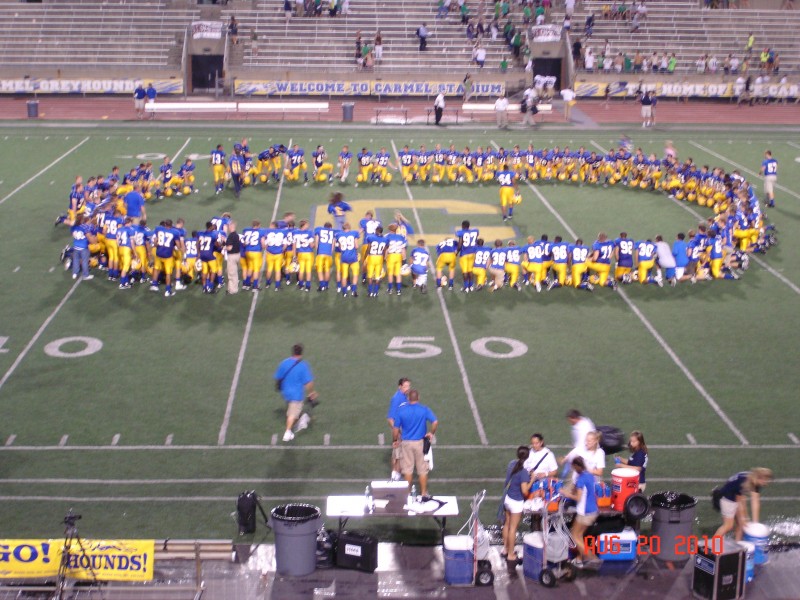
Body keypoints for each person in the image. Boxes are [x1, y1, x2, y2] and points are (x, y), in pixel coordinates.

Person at [392, 389, 438, 500]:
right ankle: (423, 493)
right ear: (418, 397)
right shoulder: (424, 410)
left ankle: (407, 494)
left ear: (408, 398)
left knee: (407, 470)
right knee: (422, 470)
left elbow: (395, 429)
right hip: (421, 443)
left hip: (406, 443)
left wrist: (395, 440)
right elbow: (435, 422)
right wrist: (431, 433)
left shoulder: (401, 411)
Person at [502, 446, 537, 574]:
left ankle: (505, 549)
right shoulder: (523, 472)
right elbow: (524, 490)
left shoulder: (512, 464)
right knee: (513, 528)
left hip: (507, 498)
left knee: (506, 524)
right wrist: (532, 479)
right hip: (516, 502)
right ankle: (511, 554)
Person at [274, 344, 318, 442]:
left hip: (286, 393)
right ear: (301, 353)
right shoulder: (303, 365)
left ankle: (300, 418)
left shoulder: (284, 363)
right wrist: (311, 393)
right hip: (296, 395)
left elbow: (278, 377)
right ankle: (287, 432)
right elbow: (309, 383)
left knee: (293, 410)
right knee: (292, 415)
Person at [714, 468, 773, 541]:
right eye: (765, 480)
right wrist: (743, 517)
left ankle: (737, 545)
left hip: (733, 496)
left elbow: (755, 502)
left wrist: (755, 523)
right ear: (760, 478)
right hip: (727, 498)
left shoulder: (753, 479)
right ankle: (712, 545)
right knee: (728, 525)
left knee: (741, 525)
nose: (766, 483)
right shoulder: (744, 481)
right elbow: (740, 500)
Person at [561, 456, 600, 568]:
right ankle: (582, 559)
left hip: (584, 513)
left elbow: (578, 498)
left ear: (577, 466)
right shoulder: (590, 476)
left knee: (574, 536)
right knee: (579, 536)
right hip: (593, 510)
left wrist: (565, 493)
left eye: (573, 467)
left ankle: (592, 559)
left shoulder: (581, 479)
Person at [387, 378, 411, 480]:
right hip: (399, 430)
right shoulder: (397, 398)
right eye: (405, 386)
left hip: (404, 430)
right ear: (400, 386)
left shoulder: (404, 397)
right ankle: (394, 475)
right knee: (396, 454)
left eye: (408, 386)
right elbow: (390, 419)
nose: (407, 388)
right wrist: (397, 433)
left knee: (400, 454)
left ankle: (397, 474)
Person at [70, 215, 96, 281]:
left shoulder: (74, 227)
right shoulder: (84, 228)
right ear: (81, 220)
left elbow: (72, 233)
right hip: (84, 247)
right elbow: (89, 237)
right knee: (85, 261)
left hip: (76, 246)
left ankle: (75, 273)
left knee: (76, 260)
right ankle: (85, 275)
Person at [225, 220, 241, 294]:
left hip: (232, 256)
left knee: (231, 273)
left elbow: (230, 248)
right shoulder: (236, 235)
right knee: (234, 272)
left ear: (231, 226)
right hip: (237, 255)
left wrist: (223, 247)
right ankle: (232, 287)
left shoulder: (231, 236)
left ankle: (233, 290)